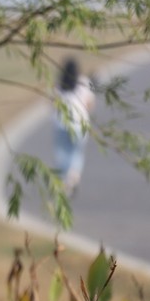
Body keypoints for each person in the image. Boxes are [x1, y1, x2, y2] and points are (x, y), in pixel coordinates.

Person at [52, 57, 97, 196]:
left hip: (61, 124)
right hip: (79, 124)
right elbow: (90, 104)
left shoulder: (58, 86)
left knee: (63, 153)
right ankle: (73, 177)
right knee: (76, 153)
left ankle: (64, 180)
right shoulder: (84, 83)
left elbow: (52, 103)